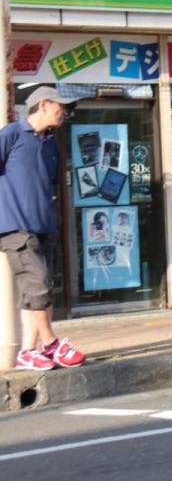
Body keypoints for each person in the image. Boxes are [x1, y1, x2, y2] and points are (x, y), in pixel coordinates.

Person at [0, 86, 86, 371]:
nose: (65, 112)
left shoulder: (51, 143)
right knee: (37, 285)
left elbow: (50, 184)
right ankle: (50, 343)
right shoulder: (11, 134)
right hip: (16, 226)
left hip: (44, 225)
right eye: (61, 106)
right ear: (44, 104)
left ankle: (27, 351)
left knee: (38, 291)